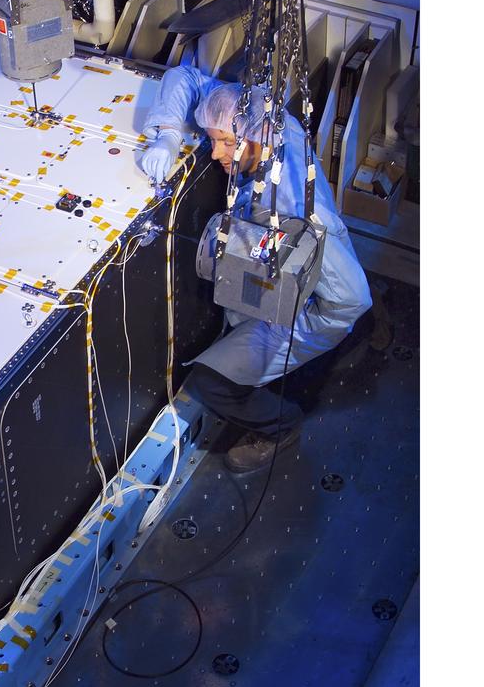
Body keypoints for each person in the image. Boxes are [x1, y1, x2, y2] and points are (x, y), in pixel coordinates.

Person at [141, 71, 371, 473]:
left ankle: (280, 427)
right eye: (213, 139)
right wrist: (168, 134)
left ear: (258, 137)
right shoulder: (259, 114)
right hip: (310, 276)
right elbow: (185, 77)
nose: (215, 153)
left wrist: (290, 322)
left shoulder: (295, 206)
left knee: (211, 384)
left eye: (226, 143)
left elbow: (350, 298)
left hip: (316, 311)